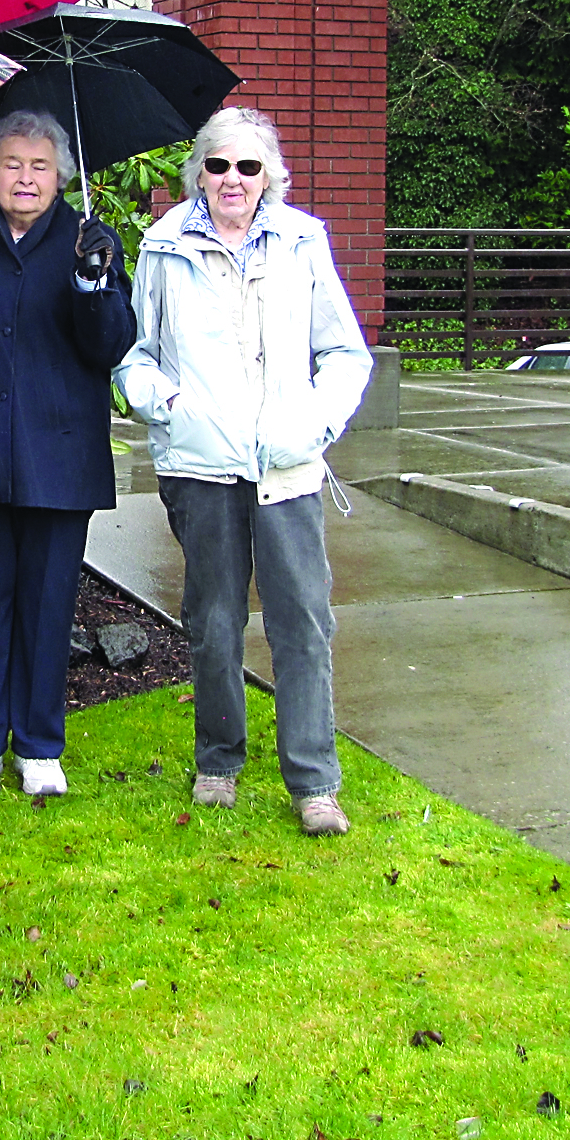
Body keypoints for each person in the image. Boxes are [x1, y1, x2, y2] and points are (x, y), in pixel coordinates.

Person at [114, 106, 373, 836]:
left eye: (247, 166)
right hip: (200, 467)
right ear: (198, 171)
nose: (232, 179)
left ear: (270, 177)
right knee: (213, 621)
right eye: (218, 164)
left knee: (301, 623)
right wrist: (158, 401)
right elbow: (136, 353)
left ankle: (314, 781)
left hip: (286, 469)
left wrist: (314, 425)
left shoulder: (302, 243)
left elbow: (345, 354)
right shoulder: (162, 246)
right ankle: (218, 761)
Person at [0, 110, 134, 798]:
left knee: (48, 605)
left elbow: (111, 346)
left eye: (39, 166)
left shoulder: (88, 240)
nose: (25, 178)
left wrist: (93, 283)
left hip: (61, 455)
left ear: (61, 176)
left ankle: (37, 745)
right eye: (11, 164)